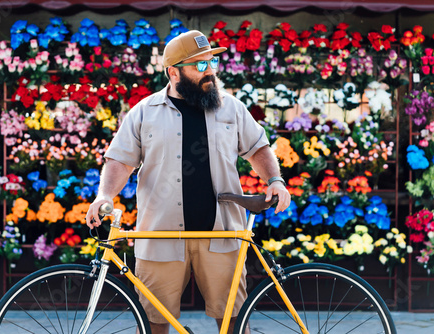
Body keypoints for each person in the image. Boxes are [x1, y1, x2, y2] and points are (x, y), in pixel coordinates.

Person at [86, 30, 291, 334]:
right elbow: (120, 160)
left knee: (233, 322)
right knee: (155, 323)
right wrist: (104, 195)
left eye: (211, 63)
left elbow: (258, 147)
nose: (209, 71)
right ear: (173, 71)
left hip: (222, 235)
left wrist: (275, 179)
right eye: (199, 65)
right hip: (160, 237)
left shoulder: (231, 108)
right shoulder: (145, 112)